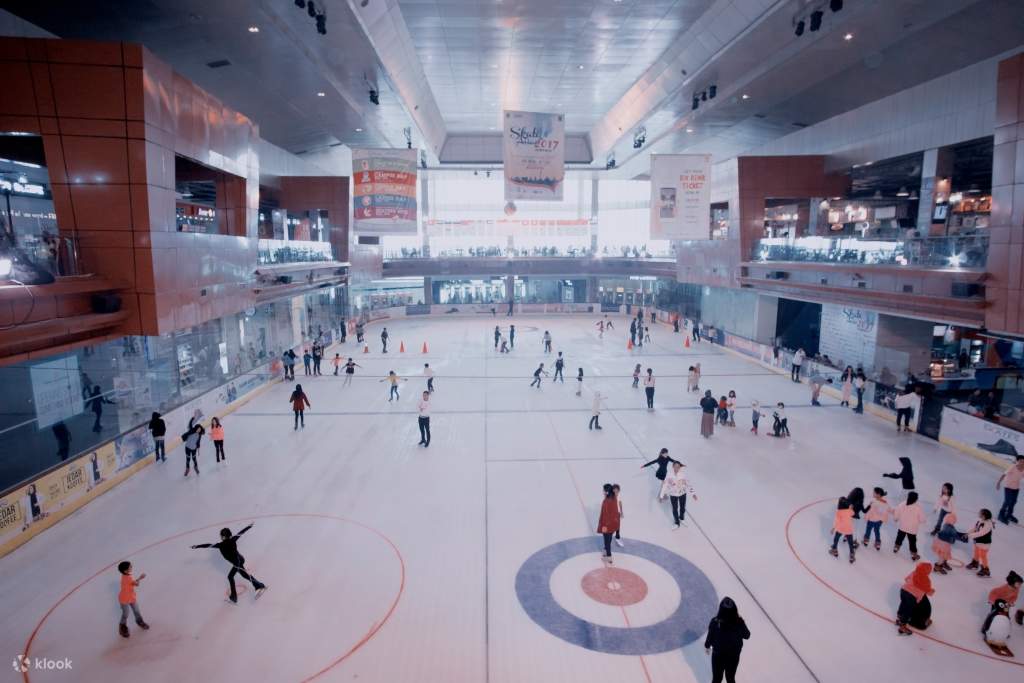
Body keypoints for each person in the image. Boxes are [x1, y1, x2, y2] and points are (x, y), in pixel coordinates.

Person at [190, 524, 266, 604]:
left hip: (237, 562)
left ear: (223, 536)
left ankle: (235, 596)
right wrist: (249, 526)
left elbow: (208, 545)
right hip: (239, 559)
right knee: (244, 575)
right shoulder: (233, 539)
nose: (220, 537)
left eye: (221, 535)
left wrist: (197, 546)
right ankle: (259, 585)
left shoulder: (221, 545)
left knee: (231, 576)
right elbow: (241, 533)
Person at [704, 597, 750, 683]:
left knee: (717, 679)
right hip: (733, 656)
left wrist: (707, 645)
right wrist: (741, 622)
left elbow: (710, 638)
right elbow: (747, 635)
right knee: (730, 678)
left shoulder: (715, 622)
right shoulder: (739, 623)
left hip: (718, 656)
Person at [896, 562, 935, 635]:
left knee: (903, 603)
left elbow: (906, 579)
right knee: (908, 610)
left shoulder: (914, 573)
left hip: (904, 591)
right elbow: (928, 591)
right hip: (912, 596)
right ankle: (903, 626)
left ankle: (900, 615)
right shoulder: (926, 580)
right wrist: (932, 591)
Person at [116, 561, 149, 638]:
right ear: (125, 571)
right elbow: (136, 584)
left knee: (136, 610)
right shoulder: (128, 577)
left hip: (131, 597)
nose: (131, 568)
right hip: (124, 599)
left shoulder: (126, 575)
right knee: (126, 613)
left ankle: (140, 622)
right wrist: (141, 577)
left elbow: (132, 583)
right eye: (130, 567)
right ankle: (122, 626)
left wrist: (136, 580)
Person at [660, 461, 696, 528]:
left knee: (682, 508)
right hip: (673, 494)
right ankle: (677, 523)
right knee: (675, 509)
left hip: (682, 493)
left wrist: (693, 493)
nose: (677, 468)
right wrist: (661, 496)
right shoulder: (669, 474)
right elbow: (665, 485)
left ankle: (682, 518)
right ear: (673, 466)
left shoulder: (683, 474)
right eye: (675, 466)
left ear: (680, 467)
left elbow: (688, 484)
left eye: (678, 467)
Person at [893, 491, 926, 561]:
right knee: (912, 542)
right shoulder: (918, 507)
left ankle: (896, 547)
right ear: (916, 499)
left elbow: (897, 512)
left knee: (899, 538)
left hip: (902, 526)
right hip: (912, 529)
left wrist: (896, 518)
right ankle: (913, 554)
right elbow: (922, 519)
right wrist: (923, 521)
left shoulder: (902, 504)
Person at [965, 508, 995, 577]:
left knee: (983, 556)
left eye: (980, 513)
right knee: (976, 552)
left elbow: (981, 533)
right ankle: (975, 563)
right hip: (978, 541)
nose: (979, 514)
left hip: (984, 543)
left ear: (984, 516)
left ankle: (985, 569)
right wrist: (967, 533)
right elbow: (975, 528)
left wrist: (969, 536)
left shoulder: (988, 525)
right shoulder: (980, 521)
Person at [996, 455, 1024, 525]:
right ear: (1017, 461)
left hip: (1016, 488)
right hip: (1008, 487)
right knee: (1007, 501)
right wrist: (998, 482)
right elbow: (1004, 474)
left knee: (1013, 502)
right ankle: (1001, 515)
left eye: (1023, 462)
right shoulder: (1013, 467)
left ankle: (1009, 514)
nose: (1022, 463)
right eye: (1020, 461)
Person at [597, 484, 620, 563]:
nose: (602, 491)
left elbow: (605, 514)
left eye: (604, 490)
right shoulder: (614, 498)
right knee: (609, 539)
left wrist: (604, 526)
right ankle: (605, 550)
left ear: (606, 492)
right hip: (614, 523)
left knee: (606, 540)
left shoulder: (607, 501)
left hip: (607, 524)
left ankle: (609, 556)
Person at [829, 497, 856, 563]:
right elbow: (853, 514)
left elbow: (836, 521)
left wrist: (833, 528)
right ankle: (852, 554)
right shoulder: (849, 510)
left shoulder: (838, 512)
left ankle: (834, 549)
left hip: (840, 528)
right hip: (848, 528)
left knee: (836, 538)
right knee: (850, 542)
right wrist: (851, 508)